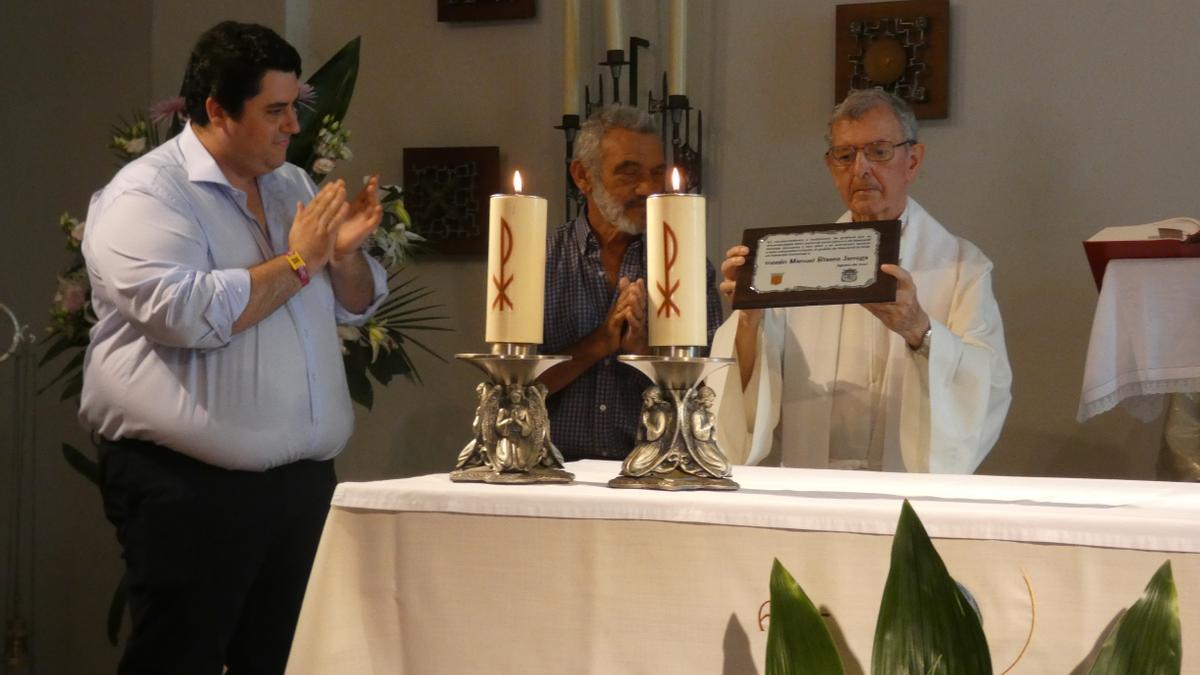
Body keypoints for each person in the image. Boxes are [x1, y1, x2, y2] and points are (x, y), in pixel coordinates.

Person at [79, 21, 387, 673]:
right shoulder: (147, 195)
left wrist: (347, 254)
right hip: (189, 487)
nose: (291, 128)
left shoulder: (292, 188)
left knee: (286, 660)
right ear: (216, 108)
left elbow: (355, 303)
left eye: (291, 109)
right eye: (274, 111)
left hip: (299, 487)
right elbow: (185, 313)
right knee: (178, 658)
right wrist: (301, 258)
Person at [712, 89, 1012, 473]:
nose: (861, 169)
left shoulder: (962, 268)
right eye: (845, 155)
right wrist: (749, 320)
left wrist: (920, 330)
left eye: (880, 151)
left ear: (913, 161)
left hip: (908, 491)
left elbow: (986, 387)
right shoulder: (792, 265)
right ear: (830, 166)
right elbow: (744, 390)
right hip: (813, 489)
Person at [540, 105, 722, 460]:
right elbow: (513, 388)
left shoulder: (687, 267)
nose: (647, 188)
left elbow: (709, 395)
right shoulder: (539, 262)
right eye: (628, 173)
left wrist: (650, 354)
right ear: (582, 176)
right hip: (552, 471)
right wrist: (601, 343)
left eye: (656, 173)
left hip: (655, 472)